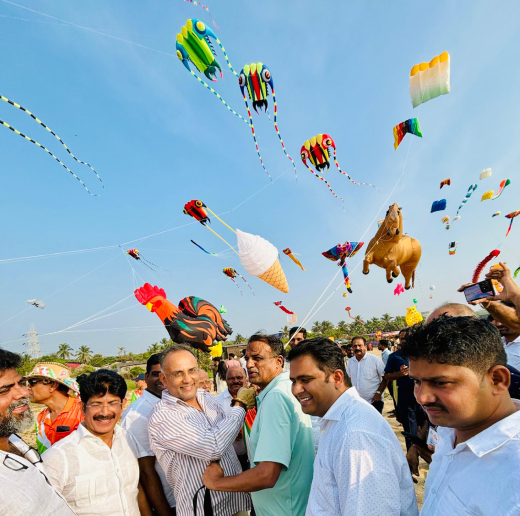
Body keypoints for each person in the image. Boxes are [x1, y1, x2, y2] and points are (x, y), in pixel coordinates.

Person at [402, 315, 520, 515]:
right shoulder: (450, 432)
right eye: (417, 381)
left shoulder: (513, 475)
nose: (422, 398)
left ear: (497, 380)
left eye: (440, 383)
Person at [287, 338, 418, 516]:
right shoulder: (338, 420)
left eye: (306, 379)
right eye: (294, 381)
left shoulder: (355, 434)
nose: (296, 390)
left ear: (337, 378)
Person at [203, 333, 315, 516]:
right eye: (247, 358)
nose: (249, 364)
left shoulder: (275, 398)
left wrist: (216, 483)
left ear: (279, 361)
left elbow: (266, 475)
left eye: (258, 358)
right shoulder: (285, 388)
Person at [148, 345, 252, 516]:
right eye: (178, 373)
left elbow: (225, 434)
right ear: (164, 379)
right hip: (204, 509)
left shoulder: (205, 397)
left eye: (191, 370)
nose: (187, 379)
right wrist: (240, 405)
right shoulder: (163, 416)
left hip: (236, 502)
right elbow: (213, 447)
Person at [43, 369, 150, 516]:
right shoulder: (59, 456)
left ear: (122, 404)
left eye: (112, 403)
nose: (105, 412)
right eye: (96, 404)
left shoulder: (128, 439)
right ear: (82, 407)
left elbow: (134, 489)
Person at [0, 349, 75, 515]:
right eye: (4, 391)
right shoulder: (41, 418)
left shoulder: (14, 440)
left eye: (23, 383)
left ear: (53, 385)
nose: (25, 391)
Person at [122, 354, 176, 516]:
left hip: (187, 498)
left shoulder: (173, 402)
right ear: (146, 377)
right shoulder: (137, 415)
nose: (161, 379)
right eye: (155, 374)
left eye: (166, 374)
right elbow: (145, 472)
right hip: (168, 504)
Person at [25, 361, 83, 454]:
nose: (28, 388)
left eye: (32, 382)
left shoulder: (83, 411)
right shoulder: (41, 418)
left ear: (53, 385)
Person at [379, 330, 418, 449]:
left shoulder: (423, 354)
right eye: (401, 338)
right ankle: (412, 460)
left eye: (406, 337)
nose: (404, 340)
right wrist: (400, 374)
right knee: (409, 429)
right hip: (406, 396)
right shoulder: (394, 356)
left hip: (424, 395)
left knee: (428, 428)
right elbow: (387, 376)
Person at [215, 366, 249, 470]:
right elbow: (213, 428)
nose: (235, 381)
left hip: (253, 455)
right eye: (231, 378)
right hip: (229, 459)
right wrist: (231, 431)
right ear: (225, 380)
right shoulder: (216, 401)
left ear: (245, 378)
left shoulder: (255, 398)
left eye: (239, 377)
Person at [346, 336, 386, 413]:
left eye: (360, 345)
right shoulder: (350, 362)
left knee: (374, 424)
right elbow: (348, 379)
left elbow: (385, 378)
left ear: (365, 347)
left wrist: (379, 393)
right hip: (357, 401)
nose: (357, 348)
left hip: (374, 401)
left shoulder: (375, 360)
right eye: (355, 346)